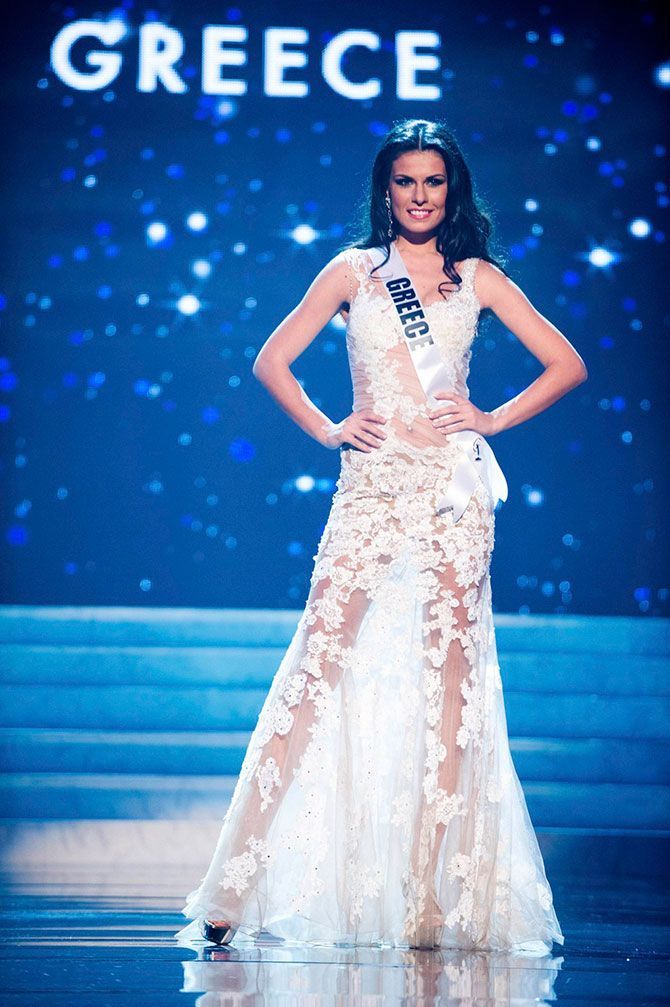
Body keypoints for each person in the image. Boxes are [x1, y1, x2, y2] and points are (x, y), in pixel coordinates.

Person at [174, 118, 586, 952]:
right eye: (406, 182)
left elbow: (567, 361)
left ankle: (430, 900)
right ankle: (236, 885)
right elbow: (271, 359)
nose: (421, 196)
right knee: (315, 669)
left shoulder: (478, 277)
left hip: (450, 500)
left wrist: (490, 417)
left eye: (434, 181)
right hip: (369, 489)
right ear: (386, 189)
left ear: (452, 189)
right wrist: (331, 428)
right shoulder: (354, 271)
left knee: (450, 695)